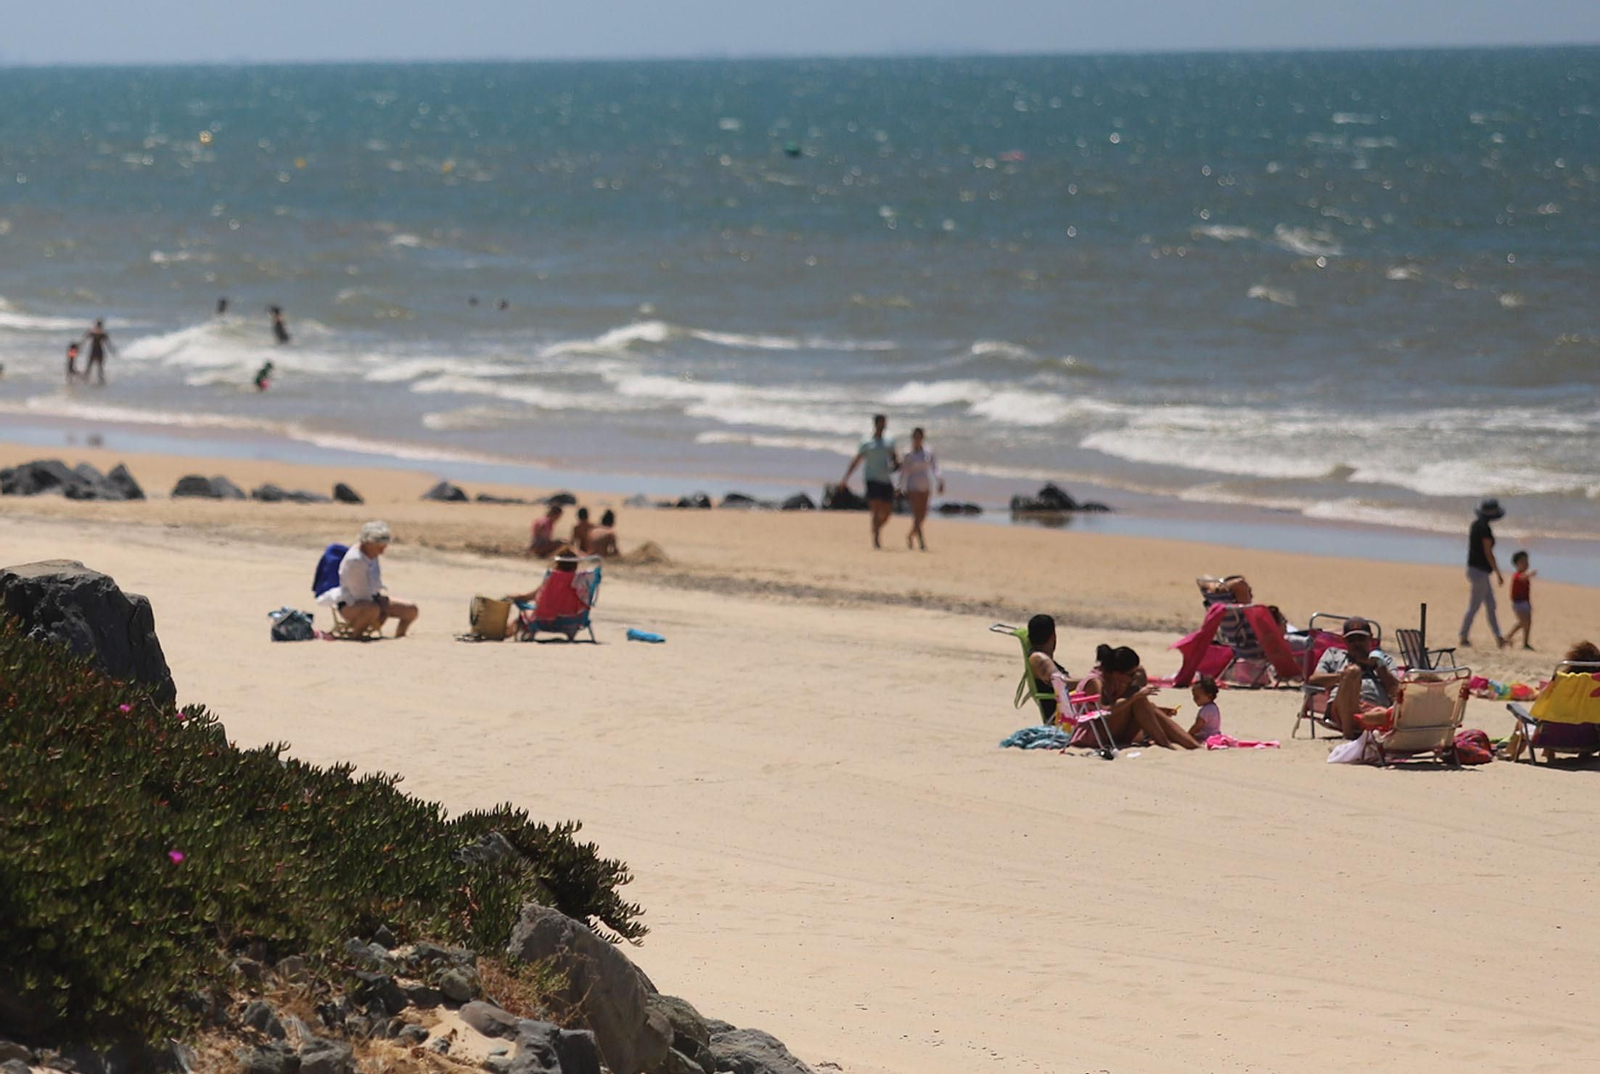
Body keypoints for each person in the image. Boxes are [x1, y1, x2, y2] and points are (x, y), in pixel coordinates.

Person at [1087, 644, 1200, 749]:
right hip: (1094, 734)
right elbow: (1103, 712)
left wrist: (1153, 708)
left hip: (1109, 729)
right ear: (1117, 673)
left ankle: (1191, 745)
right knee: (1138, 699)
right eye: (1131, 675)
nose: (1133, 678)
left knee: (1149, 705)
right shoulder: (1096, 682)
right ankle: (1166, 744)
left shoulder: (1113, 678)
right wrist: (1134, 697)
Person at [319, 520, 418, 637]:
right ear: (368, 543)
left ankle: (400, 636)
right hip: (350, 604)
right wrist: (383, 610)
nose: (382, 551)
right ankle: (357, 635)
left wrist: (383, 603)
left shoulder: (372, 554)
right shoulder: (355, 561)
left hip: (374, 598)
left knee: (411, 610)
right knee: (372, 609)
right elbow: (361, 594)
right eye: (379, 547)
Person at [1309, 617, 1400, 739]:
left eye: (1361, 639)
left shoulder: (1383, 660)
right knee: (1353, 671)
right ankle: (1350, 734)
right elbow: (1314, 680)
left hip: (1375, 707)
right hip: (1342, 709)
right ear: (1344, 641)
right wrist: (1343, 676)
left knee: (1381, 713)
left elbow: (1397, 691)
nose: (1357, 643)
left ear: (1370, 639)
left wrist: (1379, 668)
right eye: (1351, 640)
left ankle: (1370, 720)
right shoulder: (1334, 655)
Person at [839, 413, 898, 549]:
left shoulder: (889, 441)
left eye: (884, 423)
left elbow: (895, 458)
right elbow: (857, 460)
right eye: (880, 423)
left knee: (888, 510)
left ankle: (876, 528)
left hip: (885, 478)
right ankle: (876, 538)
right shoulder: (866, 442)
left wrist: (897, 465)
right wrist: (846, 478)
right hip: (871, 479)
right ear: (876, 424)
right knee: (876, 509)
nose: (882, 426)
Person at [1460, 497, 1505, 648]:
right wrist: (1498, 572)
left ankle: (1499, 637)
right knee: (1475, 605)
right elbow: (1488, 552)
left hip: (1475, 570)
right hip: (1480, 571)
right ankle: (1463, 635)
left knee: (1491, 605)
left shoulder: (1475, 525)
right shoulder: (1484, 528)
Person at [1025, 613, 1077, 724]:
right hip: (1062, 718)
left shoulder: (1038, 657)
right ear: (1053, 637)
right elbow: (1061, 683)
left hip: (1067, 710)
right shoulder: (1039, 658)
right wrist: (1091, 681)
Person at [898, 426, 944, 551]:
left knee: (923, 514)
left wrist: (940, 480)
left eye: (919, 437)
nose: (917, 439)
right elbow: (904, 472)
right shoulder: (908, 453)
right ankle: (921, 541)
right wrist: (900, 486)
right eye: (915, 437)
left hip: (925, 485)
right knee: (916, 514)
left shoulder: (928, 452)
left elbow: (935, 467)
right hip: (912, 486)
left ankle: (910, 535)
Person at [1503, 551, 1536, 651]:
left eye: (1526, 561)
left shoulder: (1524, 576)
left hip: (1525, 602)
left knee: (1528, 622)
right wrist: (1530, 574)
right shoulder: (1517, 575)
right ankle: (1508, 636)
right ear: (1517, 564)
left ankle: (1525, 642)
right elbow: (1522, 578)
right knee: (1522, 622)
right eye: (1523, 562)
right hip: (1518, 603)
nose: (1525, 564)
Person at [79, 319, 116, 385]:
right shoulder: (103, 333)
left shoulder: (92, 332)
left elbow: (84, 339)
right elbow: (108, 344)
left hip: (93, 350)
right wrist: (112, 351)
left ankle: (85, 381)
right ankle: (101, 382)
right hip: (100, 351)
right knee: (100, 368)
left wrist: (80, 347)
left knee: (89, 367)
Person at [1188, 675, 1222, 742]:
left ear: (1209, 696)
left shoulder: (1205, 710)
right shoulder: (1213, 707)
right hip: (1215, 734)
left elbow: (1197, 726)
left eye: (1197, 697)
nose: (1194, 699)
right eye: (1194, 696)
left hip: (1206, 737)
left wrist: (1188, 734)